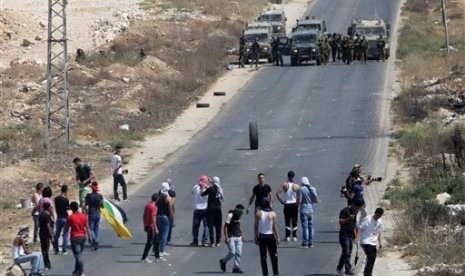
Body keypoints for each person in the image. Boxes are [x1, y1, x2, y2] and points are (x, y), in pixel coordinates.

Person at [336, 200, 364, 275]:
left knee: (349, 253)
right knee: (346, 252)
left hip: (351, 235)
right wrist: (348, 218)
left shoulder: (355, 212)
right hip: (344, 235)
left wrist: (356, 237)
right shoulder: (345, 211)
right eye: (356, 208)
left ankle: (348, 269)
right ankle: (340, 267)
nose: (356, 210)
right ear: (353, 205)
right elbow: (340, 221)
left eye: (358, 209)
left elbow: (355, 225)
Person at [65, 201, 92, 276]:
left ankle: (82, 271)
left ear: (71, 208)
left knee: (78, 255)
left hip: (74, 238)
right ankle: (76, 270)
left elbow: (66, 228)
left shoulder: (70, 217)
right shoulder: (84, 216)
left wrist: (64, 234)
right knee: (79, 254)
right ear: (77, 207)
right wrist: (90, 237)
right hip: (83, 237)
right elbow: (87, 227)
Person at [254, 198, 279, 276]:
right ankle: (275, 272)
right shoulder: (273, 214)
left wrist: (256, 236)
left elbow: (256, 226)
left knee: (263, 256)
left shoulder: (258, 213)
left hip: (262, 236)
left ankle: (265, 273)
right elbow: (274, 227)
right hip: (270, 236)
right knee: (274, 255)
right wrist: (277, 237)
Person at [356, 208, 384, 276]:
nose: (377, 217)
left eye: (379, 216)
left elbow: (379, 232)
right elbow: (360, 228)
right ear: (375, 213)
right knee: (370, 256)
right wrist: (357, 238)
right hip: (365, 241)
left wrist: (380, 242)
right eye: (377, 215)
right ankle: (367, 273)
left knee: (373, 257)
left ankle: (369, 272)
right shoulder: (368, 219)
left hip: (373, 242)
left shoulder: (380, 221)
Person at [219, 204, 245, 274]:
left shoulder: (239, 216)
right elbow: (225, 227)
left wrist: (242, 234)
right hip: (231, 236)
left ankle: (236, 267)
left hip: (238, 236)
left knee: (239, 253)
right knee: (232, 252)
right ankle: (223, 261)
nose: (241, 213)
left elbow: (238, 225)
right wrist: (226, 237)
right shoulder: (230, 215)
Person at [276, 171, 300, 242]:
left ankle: (287, 236)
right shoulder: (296, 186)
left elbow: (277, 193)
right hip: (294, 204)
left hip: (287, 204)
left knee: (287, 220)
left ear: (287, 176)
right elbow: (299, 197)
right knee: (295, 220)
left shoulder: (285, 184)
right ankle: (295, 236)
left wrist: (281, 201)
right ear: (294, 176)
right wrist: (298, 204)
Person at [141, 193, 165, 263]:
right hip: (152, 227)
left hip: (148, 226)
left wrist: (144, 225)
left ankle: (157, 257)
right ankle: (144, 258)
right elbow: (153, 218)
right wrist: (156, 228)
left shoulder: (148, 205)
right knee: (149, 243)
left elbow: (144, 215)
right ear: (157, 199)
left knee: (156, 242)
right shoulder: (153, 207)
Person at [202, 176, 224, 247]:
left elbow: (203, 194)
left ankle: (212, 242)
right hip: (218, 209)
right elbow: (216, 186)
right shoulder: (220, 189)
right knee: (218, 225)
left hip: (210, 209)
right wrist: (211, 182)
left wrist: (204, 187)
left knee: (210, 225)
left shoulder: (210, 189)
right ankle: (218, 242)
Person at [299, 177, 319, 248]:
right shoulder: (312, 189)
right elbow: (315, 200)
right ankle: (311, 242)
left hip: (304, 210)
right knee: (311, 226)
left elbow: (300, 201)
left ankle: (305, 243)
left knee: (305, 227)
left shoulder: (302, 189)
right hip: (311, 210)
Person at [190, 175, 210, 246]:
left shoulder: (195, 187)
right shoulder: (208, 189)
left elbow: (192, 192)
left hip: (197, 210)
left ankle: (195, 241)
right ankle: (204, 241)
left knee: (195, 226)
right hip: (205, 209)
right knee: (206, 226)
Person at [157, 182, 175, 256]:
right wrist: (173, 221)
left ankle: (155, 250)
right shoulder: (168, 198)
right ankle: (161, 251)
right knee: (164, 235)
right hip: (165, 218)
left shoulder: (157, 197)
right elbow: (171, 211)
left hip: (157, 217)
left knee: (158, 235)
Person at [85, 181, 103, 250]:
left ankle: (94, 240)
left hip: (91, 213)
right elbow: (102, 206)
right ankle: (95, 240)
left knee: (91, 228)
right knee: (96, 228)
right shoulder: (100, 196)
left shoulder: (88, 196)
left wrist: (85, 213)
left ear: (92, 188)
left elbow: (86, 205)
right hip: (98, 213)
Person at [53, 185, 70, 255]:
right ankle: (64, 250)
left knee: (57, 234)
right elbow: (68, 208)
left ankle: (56, 249)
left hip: (59, 217)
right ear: (66, 191)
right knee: (65, 234)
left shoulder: (56, 199)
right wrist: (67, 197)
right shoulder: (66, 200)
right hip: (65, 218)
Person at [38, 202, 53, 270]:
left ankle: (47, 264)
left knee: (44, 249)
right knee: (46, 250)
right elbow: (48, 226)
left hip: (41, 233)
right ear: (48, 207)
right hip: (46, 234)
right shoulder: (47, 215)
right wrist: (51, 235)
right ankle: (47, 265)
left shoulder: (41, 214)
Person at [164, 178, 176, 246]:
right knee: (169, 225)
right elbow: (173, 202)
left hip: (163, 209)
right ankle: (168, 240)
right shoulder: (172, 192)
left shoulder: (161, 191)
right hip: (170, 209)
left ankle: (165, 239)